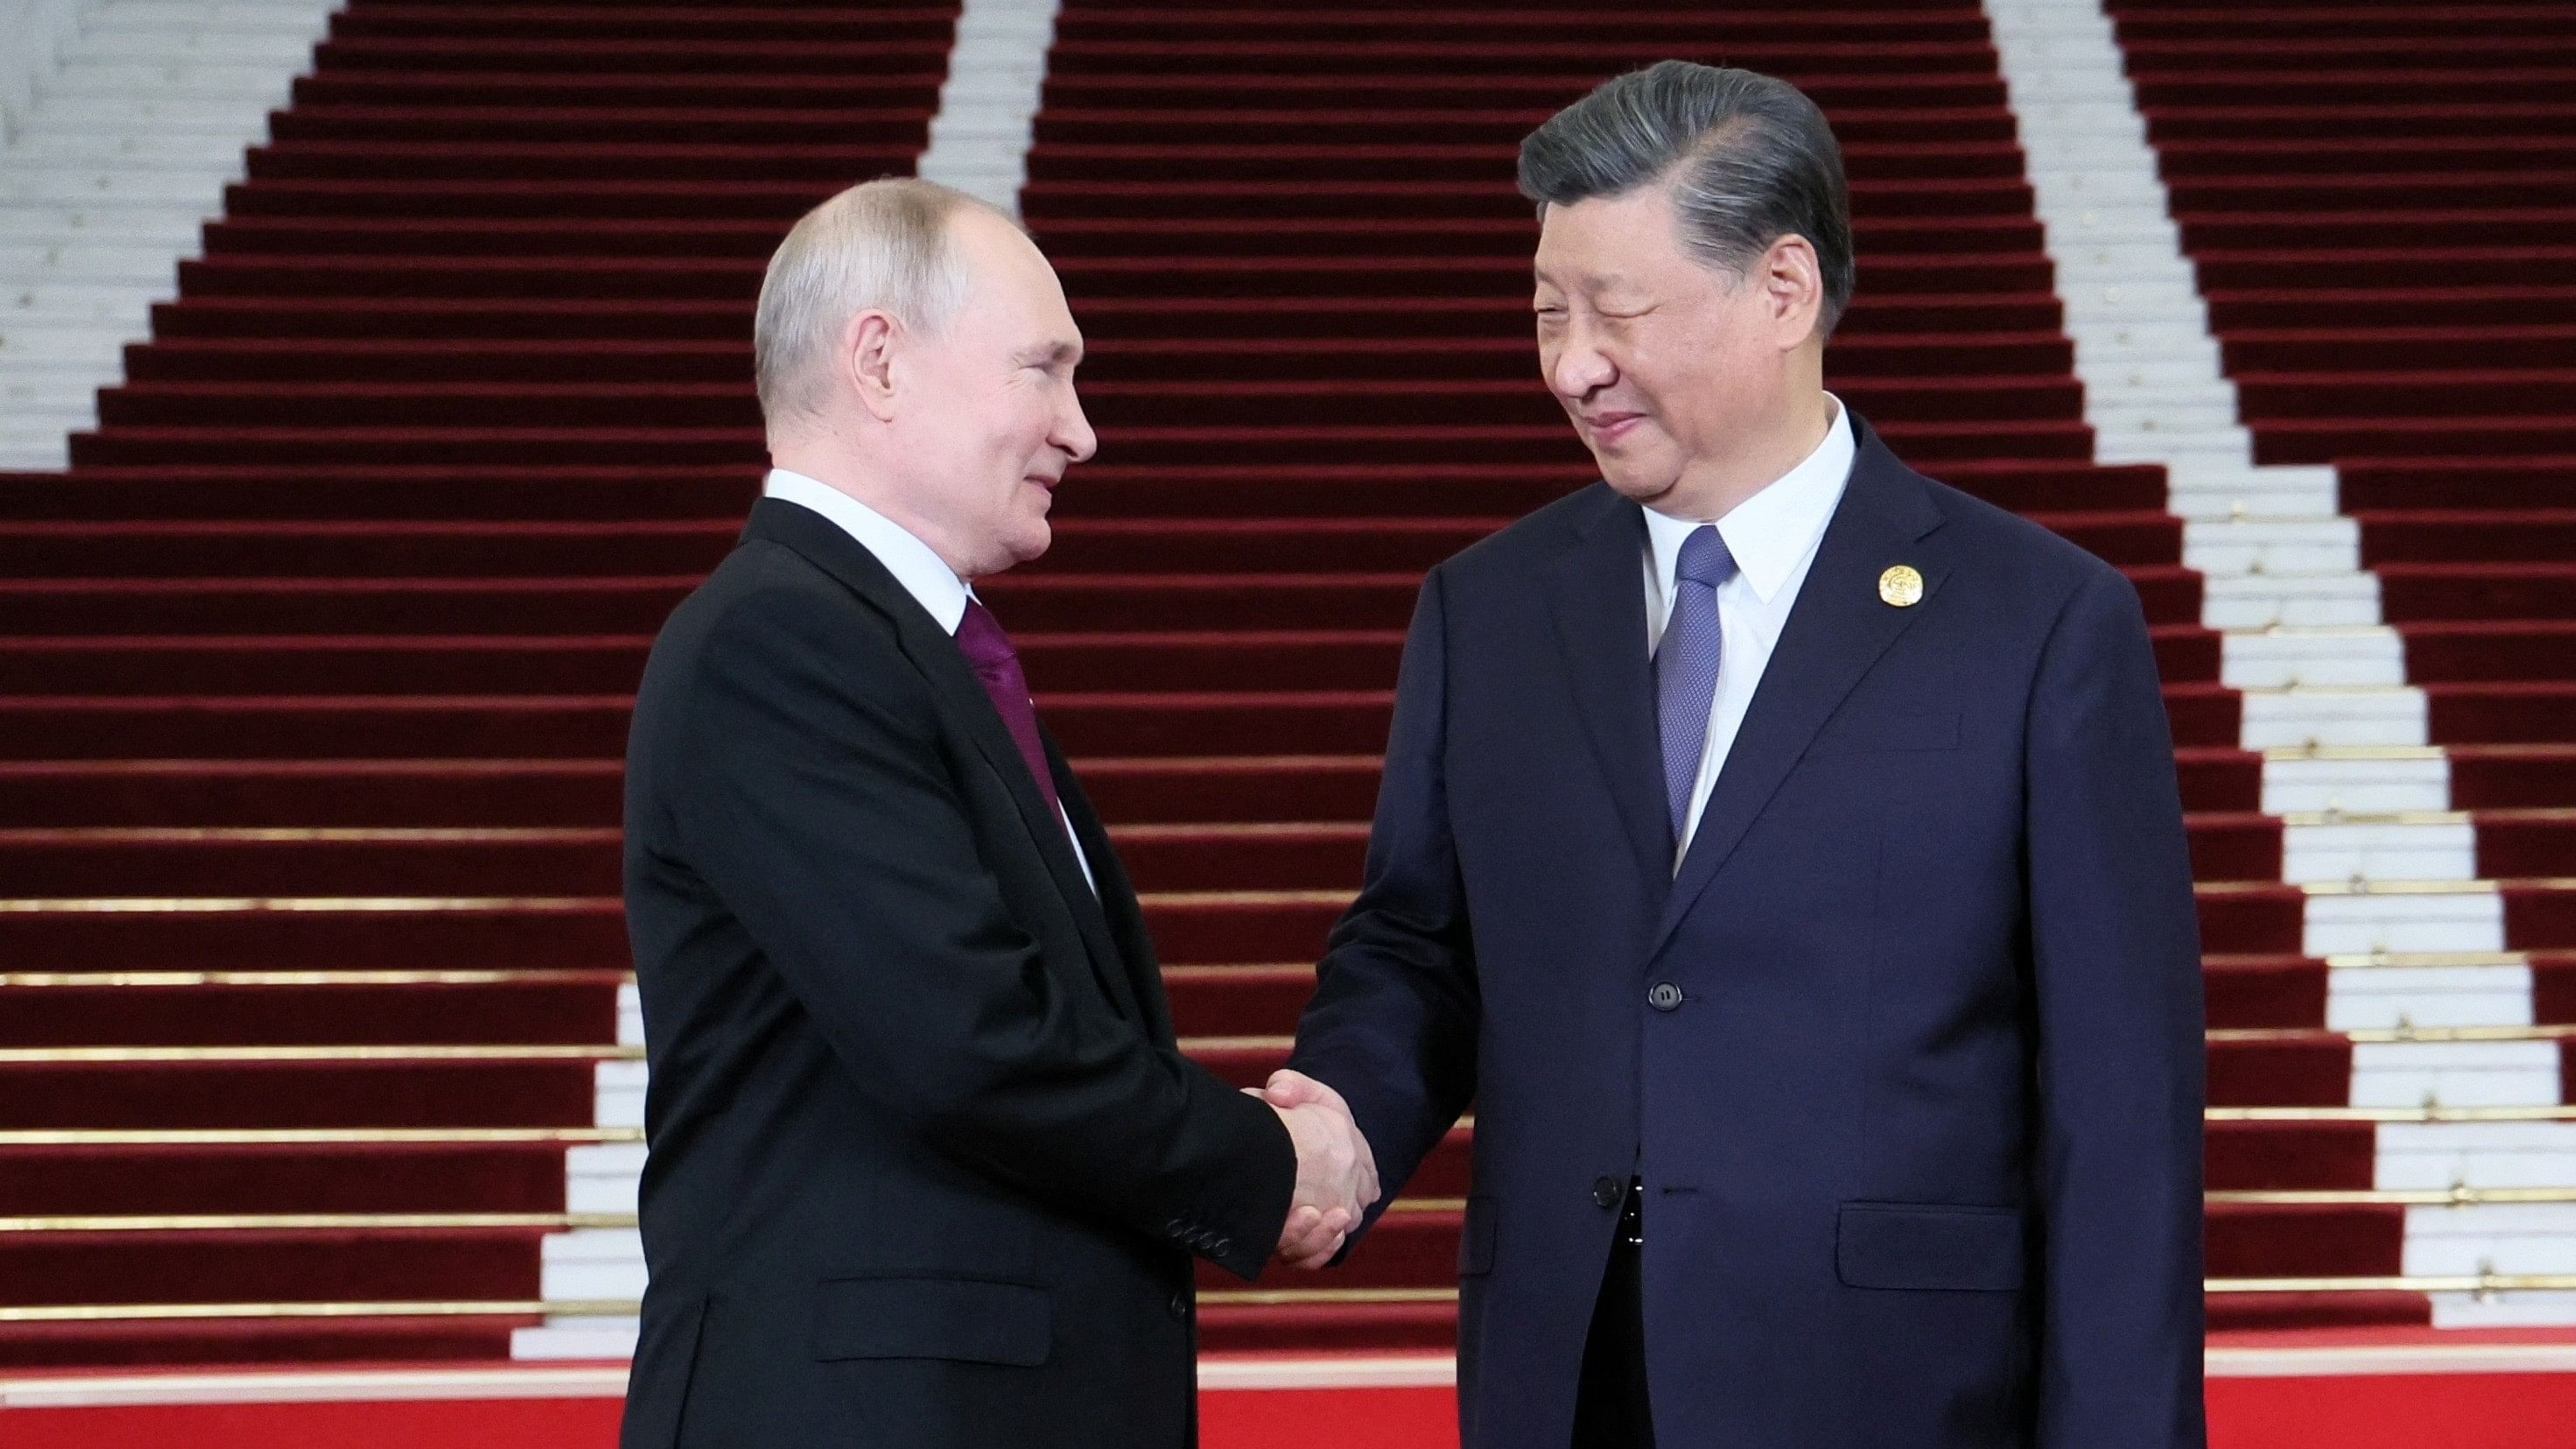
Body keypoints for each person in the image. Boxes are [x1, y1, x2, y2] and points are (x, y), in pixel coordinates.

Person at [1264, 62, 2207, 1448]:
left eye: (1618, 313)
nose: (1572, 363)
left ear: (1783, 290)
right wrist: (1342, 1122)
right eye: (1547, 312)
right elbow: (1420, 949)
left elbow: (2122, 1110)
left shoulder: (2039, 622)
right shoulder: (1490, 609)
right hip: (1568, 1377)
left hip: (1900, 1389)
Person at [617, 178, 1375, 1449]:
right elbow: (974, 1041)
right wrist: (1266, 1167)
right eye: (1045, 369)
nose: (1080, 432)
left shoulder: (879, 642)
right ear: (879, 363)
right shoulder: (780, 641)